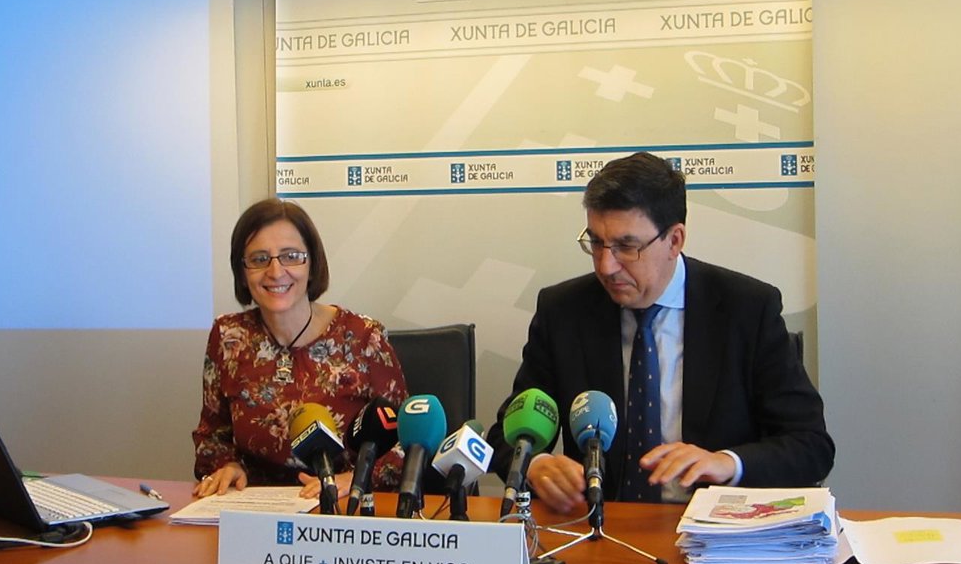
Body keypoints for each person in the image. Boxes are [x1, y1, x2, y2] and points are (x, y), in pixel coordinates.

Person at [486, 151, 834, 509]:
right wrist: (537, 465)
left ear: (675, 240)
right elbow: (504, 435)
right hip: (600, 524)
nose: (606, 266)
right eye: (596, 243)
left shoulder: (747, 309)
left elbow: (811, 446)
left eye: (626, 246)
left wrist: (727, 463)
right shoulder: (564, 312)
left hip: (711, 528)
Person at [192, 198, 407, 499]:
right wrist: (228, 465)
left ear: (312, 263)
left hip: (344, 507)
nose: (275, 271)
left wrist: (355, 479)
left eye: (291, 256)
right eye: (259, 259)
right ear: (242, 271)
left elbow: (405, 442)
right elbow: (213, 436)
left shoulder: (363, 337)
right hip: (255, 507)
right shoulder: (228, 337)